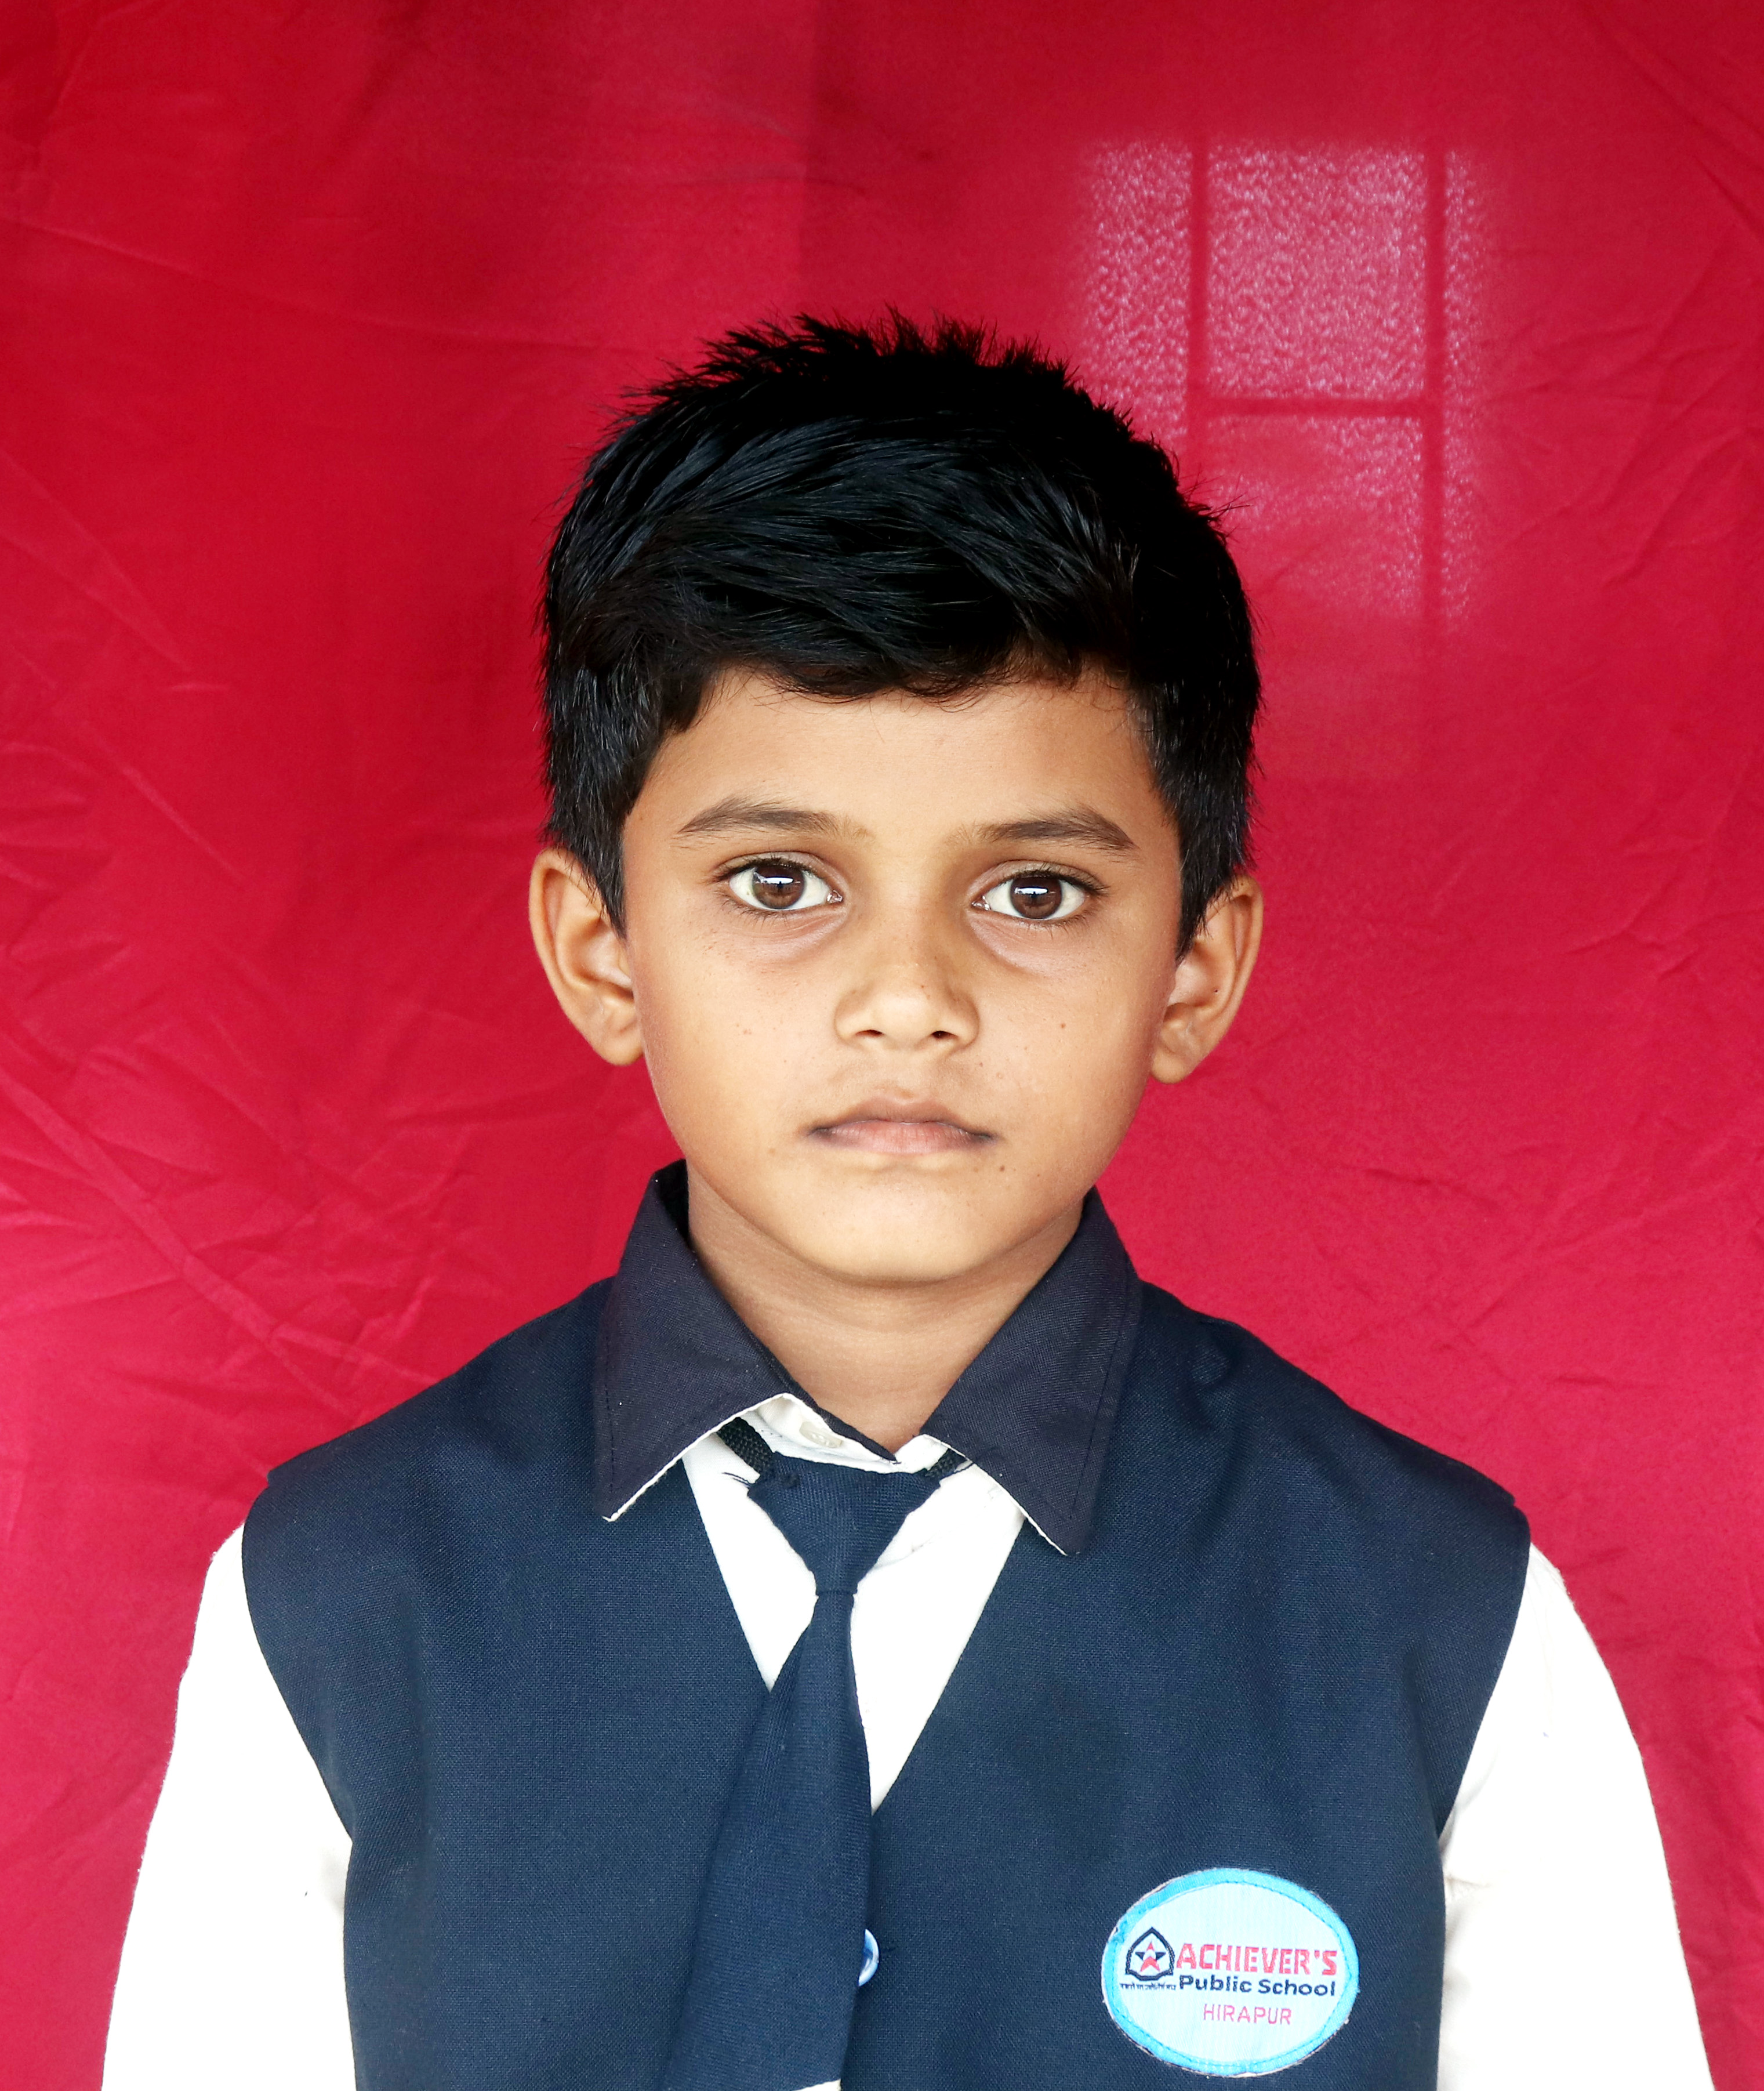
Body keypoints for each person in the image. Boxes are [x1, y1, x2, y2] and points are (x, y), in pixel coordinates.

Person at [103, 317, 1712, 2090]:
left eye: (1032, 893)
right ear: (601, 949)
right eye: (776, 881)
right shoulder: (340, 1591)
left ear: (1191, 970)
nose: (905, 998)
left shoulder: (1429, 1613)